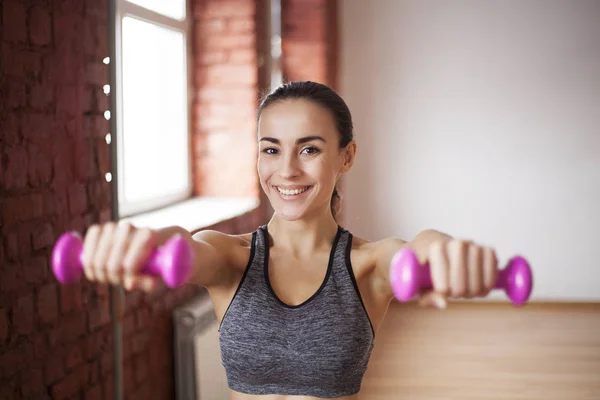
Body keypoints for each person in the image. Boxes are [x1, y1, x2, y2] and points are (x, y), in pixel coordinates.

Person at [81, 81, 499, 399]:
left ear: (346, 156)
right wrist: (142, 242)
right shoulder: (231, 257)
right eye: (271, 150)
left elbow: (418, 250)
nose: (287, 171)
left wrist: (443, 250)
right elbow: (182, 248)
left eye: (309, 150)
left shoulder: (368, 265)